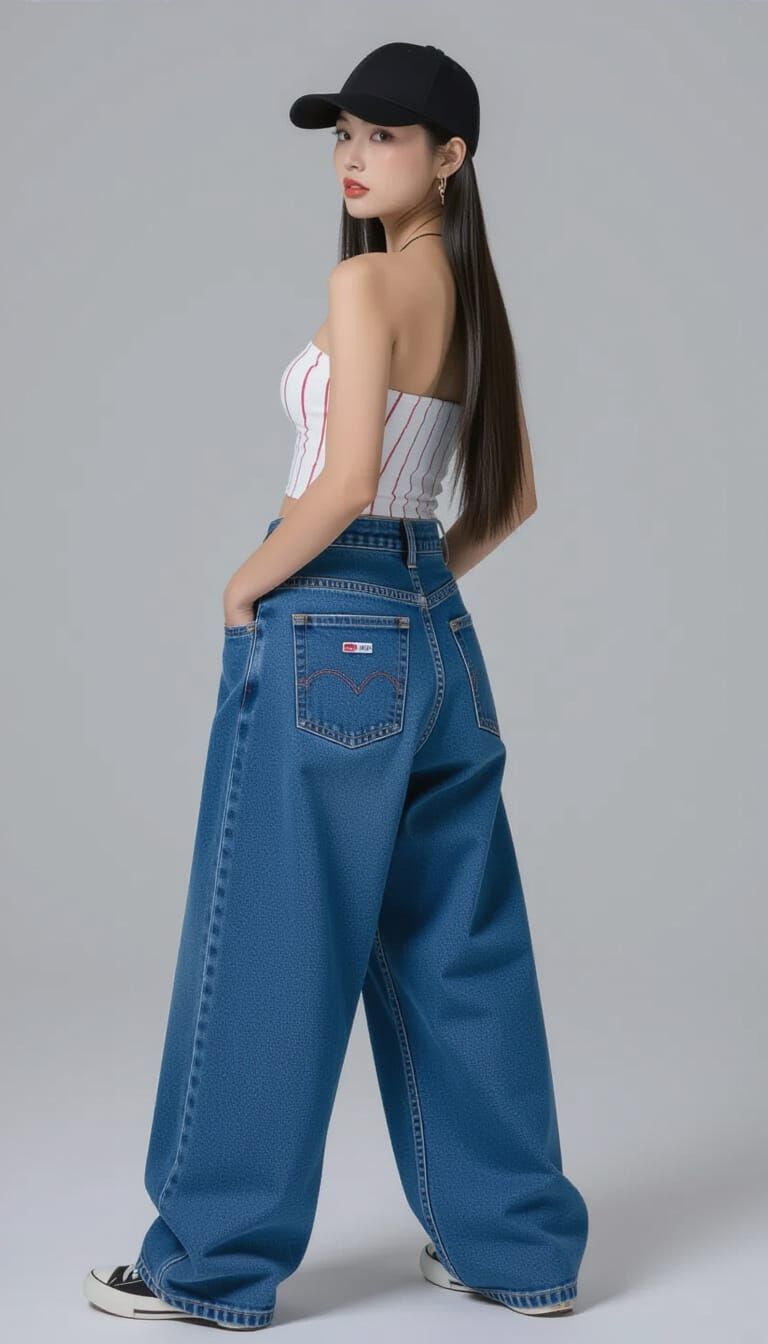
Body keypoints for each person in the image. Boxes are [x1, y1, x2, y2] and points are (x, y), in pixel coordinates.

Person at [83, 41, 589, 1332]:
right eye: (344, 136)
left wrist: (247, 585)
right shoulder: (474, 301)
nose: (355, 159)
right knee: (459, 945)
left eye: (386, 136)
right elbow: (511, 496)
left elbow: (348, 479)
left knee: (271, 938)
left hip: (324, 625)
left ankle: (206, 1265)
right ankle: (519, 1250)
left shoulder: (364, 285)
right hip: (434, 632)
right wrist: (416, 590)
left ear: (451, 156)